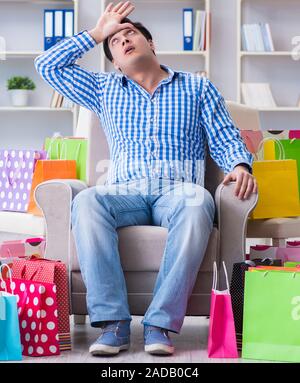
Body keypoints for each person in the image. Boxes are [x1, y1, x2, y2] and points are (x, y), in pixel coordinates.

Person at [35, 1, 257, 357]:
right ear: (115, 61)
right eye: (115, 41)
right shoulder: (104, 89)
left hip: (178, 191)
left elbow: (226, 138)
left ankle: (160, 324)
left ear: (150, 44)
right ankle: (113, 324)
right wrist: (96, 33)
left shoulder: (197, 88)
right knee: (89, 199)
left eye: (130, 33)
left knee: (199, 200)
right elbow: (46, 65)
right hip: (124, 193)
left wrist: (240, 165)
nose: (123, 40)